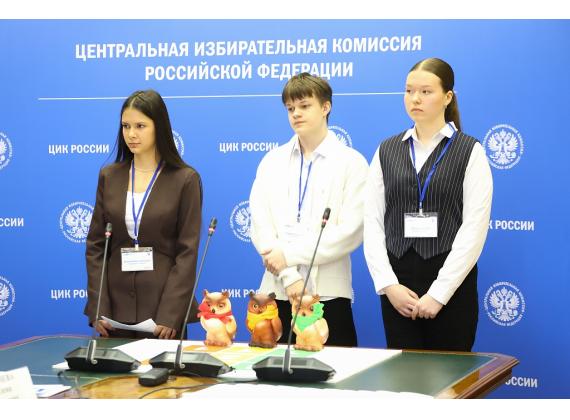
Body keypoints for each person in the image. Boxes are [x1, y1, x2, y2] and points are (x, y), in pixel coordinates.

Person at [363, 58, 493, 351]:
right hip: (398, 285)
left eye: (426, 91)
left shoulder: (470, 151)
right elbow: (371, 222)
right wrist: (388, 285)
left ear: (447, 97)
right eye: (409, 91)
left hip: (451, 284)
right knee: (403, 376)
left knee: (450, 376)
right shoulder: (386, 150)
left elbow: (474, 228)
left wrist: (439, 293)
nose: (415, 99)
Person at [249, 72, 369, 347]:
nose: (296, 114)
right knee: (272, 371)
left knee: (336, 370)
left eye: (304, 106)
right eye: (290, 108)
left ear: (326, 107)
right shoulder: (272, 161)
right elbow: (261, 225)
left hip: (327, 294)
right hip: (277, 291)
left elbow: (350, 232)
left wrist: (289, 255)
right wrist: (289, 276)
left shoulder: (351, 163)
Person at [84, 89, 202, 340]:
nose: (131, 134)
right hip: (113, 313)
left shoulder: (185, 179)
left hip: (162, 315)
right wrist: (98, 307)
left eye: (140, 126)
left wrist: (171, 313)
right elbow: (96, 246)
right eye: (126, 126)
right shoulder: (109, 176)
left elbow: (187, 252)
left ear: (159, 127)